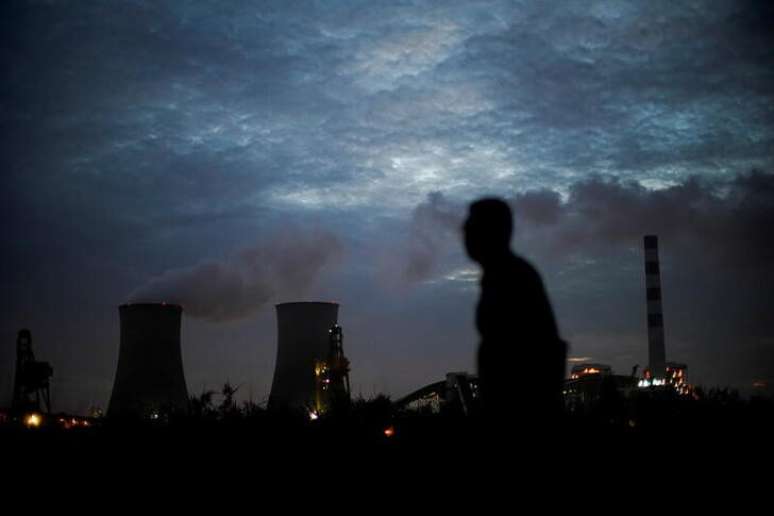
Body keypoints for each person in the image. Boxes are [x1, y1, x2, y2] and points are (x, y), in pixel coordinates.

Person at [463, 198, 566, 434]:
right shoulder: (501, 275)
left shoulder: (513, 277)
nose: (464, 231)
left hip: (519, 416)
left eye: (471, 225)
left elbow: (538, 351)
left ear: (492, 231)